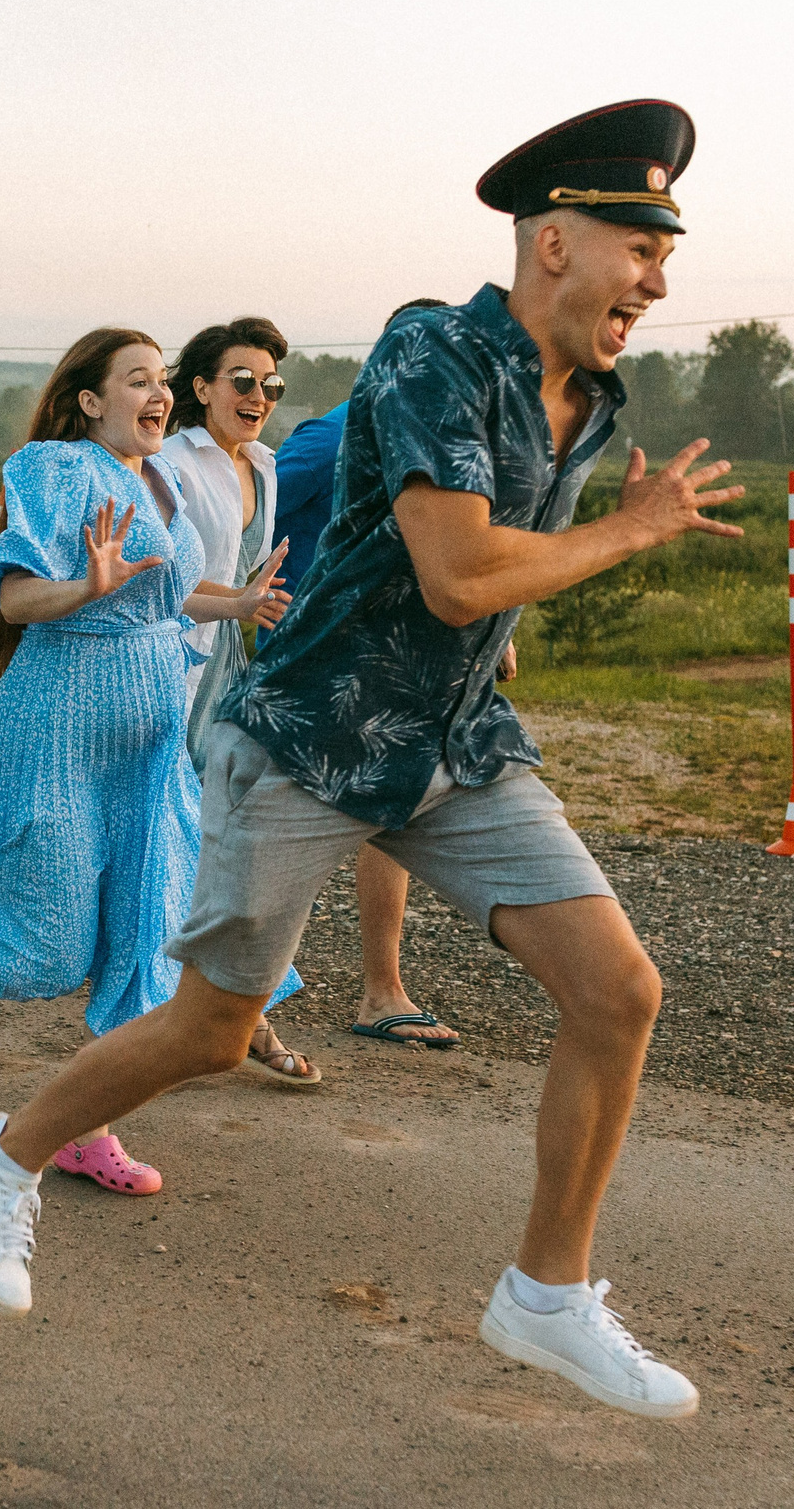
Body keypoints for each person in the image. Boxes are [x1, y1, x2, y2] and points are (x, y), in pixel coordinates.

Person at [0, 101, 745, 1423]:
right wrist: (634, 532)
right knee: (213, 1027)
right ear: (553, 241)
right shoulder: (438, 348)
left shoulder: (591, 400)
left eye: (667, 250)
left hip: (456, 747)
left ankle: (546, 1292)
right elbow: (463, 568)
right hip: (312, 738)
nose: (658, 278)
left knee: (618, 990)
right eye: (640, 245)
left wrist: (516, 625)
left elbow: (485, 584)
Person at [0, 328, 292, 1196]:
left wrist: (237, 601)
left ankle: (87, 1129)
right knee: (51, 951)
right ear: (92, 400)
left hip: (147, 745)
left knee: (141, 935)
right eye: (138, 379)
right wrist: (84, 589)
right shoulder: (60, 470)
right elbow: (19, 596)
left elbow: (162, 590)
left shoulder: (158, 477)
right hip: (58, 731)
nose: (158, 392)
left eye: (162, 379)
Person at [272, 310, 466, 1055]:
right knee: (287, 824)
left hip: (394, 661)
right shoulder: (332, 435)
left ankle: (381, 988)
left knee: (384, 811)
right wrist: (279, 611)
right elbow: (252, 522)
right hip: (309, 663)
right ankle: (212, 1005)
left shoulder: (432, 444)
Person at [157, 318, 318, 1087]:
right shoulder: (173, 463)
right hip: (173, 668)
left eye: (271, 386)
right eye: (243, 382)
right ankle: (219, 1021)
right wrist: (242, 602)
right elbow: (156, 585)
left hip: (234, 673)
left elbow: (257, 577)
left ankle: (226, 1015)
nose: (259, 397)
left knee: (227, 842)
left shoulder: (266, 464)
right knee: (189, 843)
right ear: (202, 389)